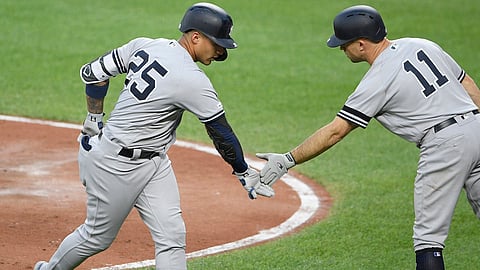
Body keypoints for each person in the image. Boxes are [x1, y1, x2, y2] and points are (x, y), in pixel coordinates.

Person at [34, 2, 274, 270]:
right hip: (115, 163)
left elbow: (94, 74)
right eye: (217, 43)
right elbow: (220, 132)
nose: (220, 51)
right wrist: (242, 171)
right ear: (195, 37)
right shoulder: (191, 79)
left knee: (172, 237)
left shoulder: (145, 44)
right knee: (96, 237)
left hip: (154, 163)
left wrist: (94, 119)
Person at [256, 5, 480, 270]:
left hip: (445, 146)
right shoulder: (421, 44)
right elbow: (468, 84)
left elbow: (335, 131)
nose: (341, 49)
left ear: (361, 44)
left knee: (428, 239)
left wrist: (288, 159)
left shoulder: (378, 80)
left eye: (344, 44)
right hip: (476, 126)